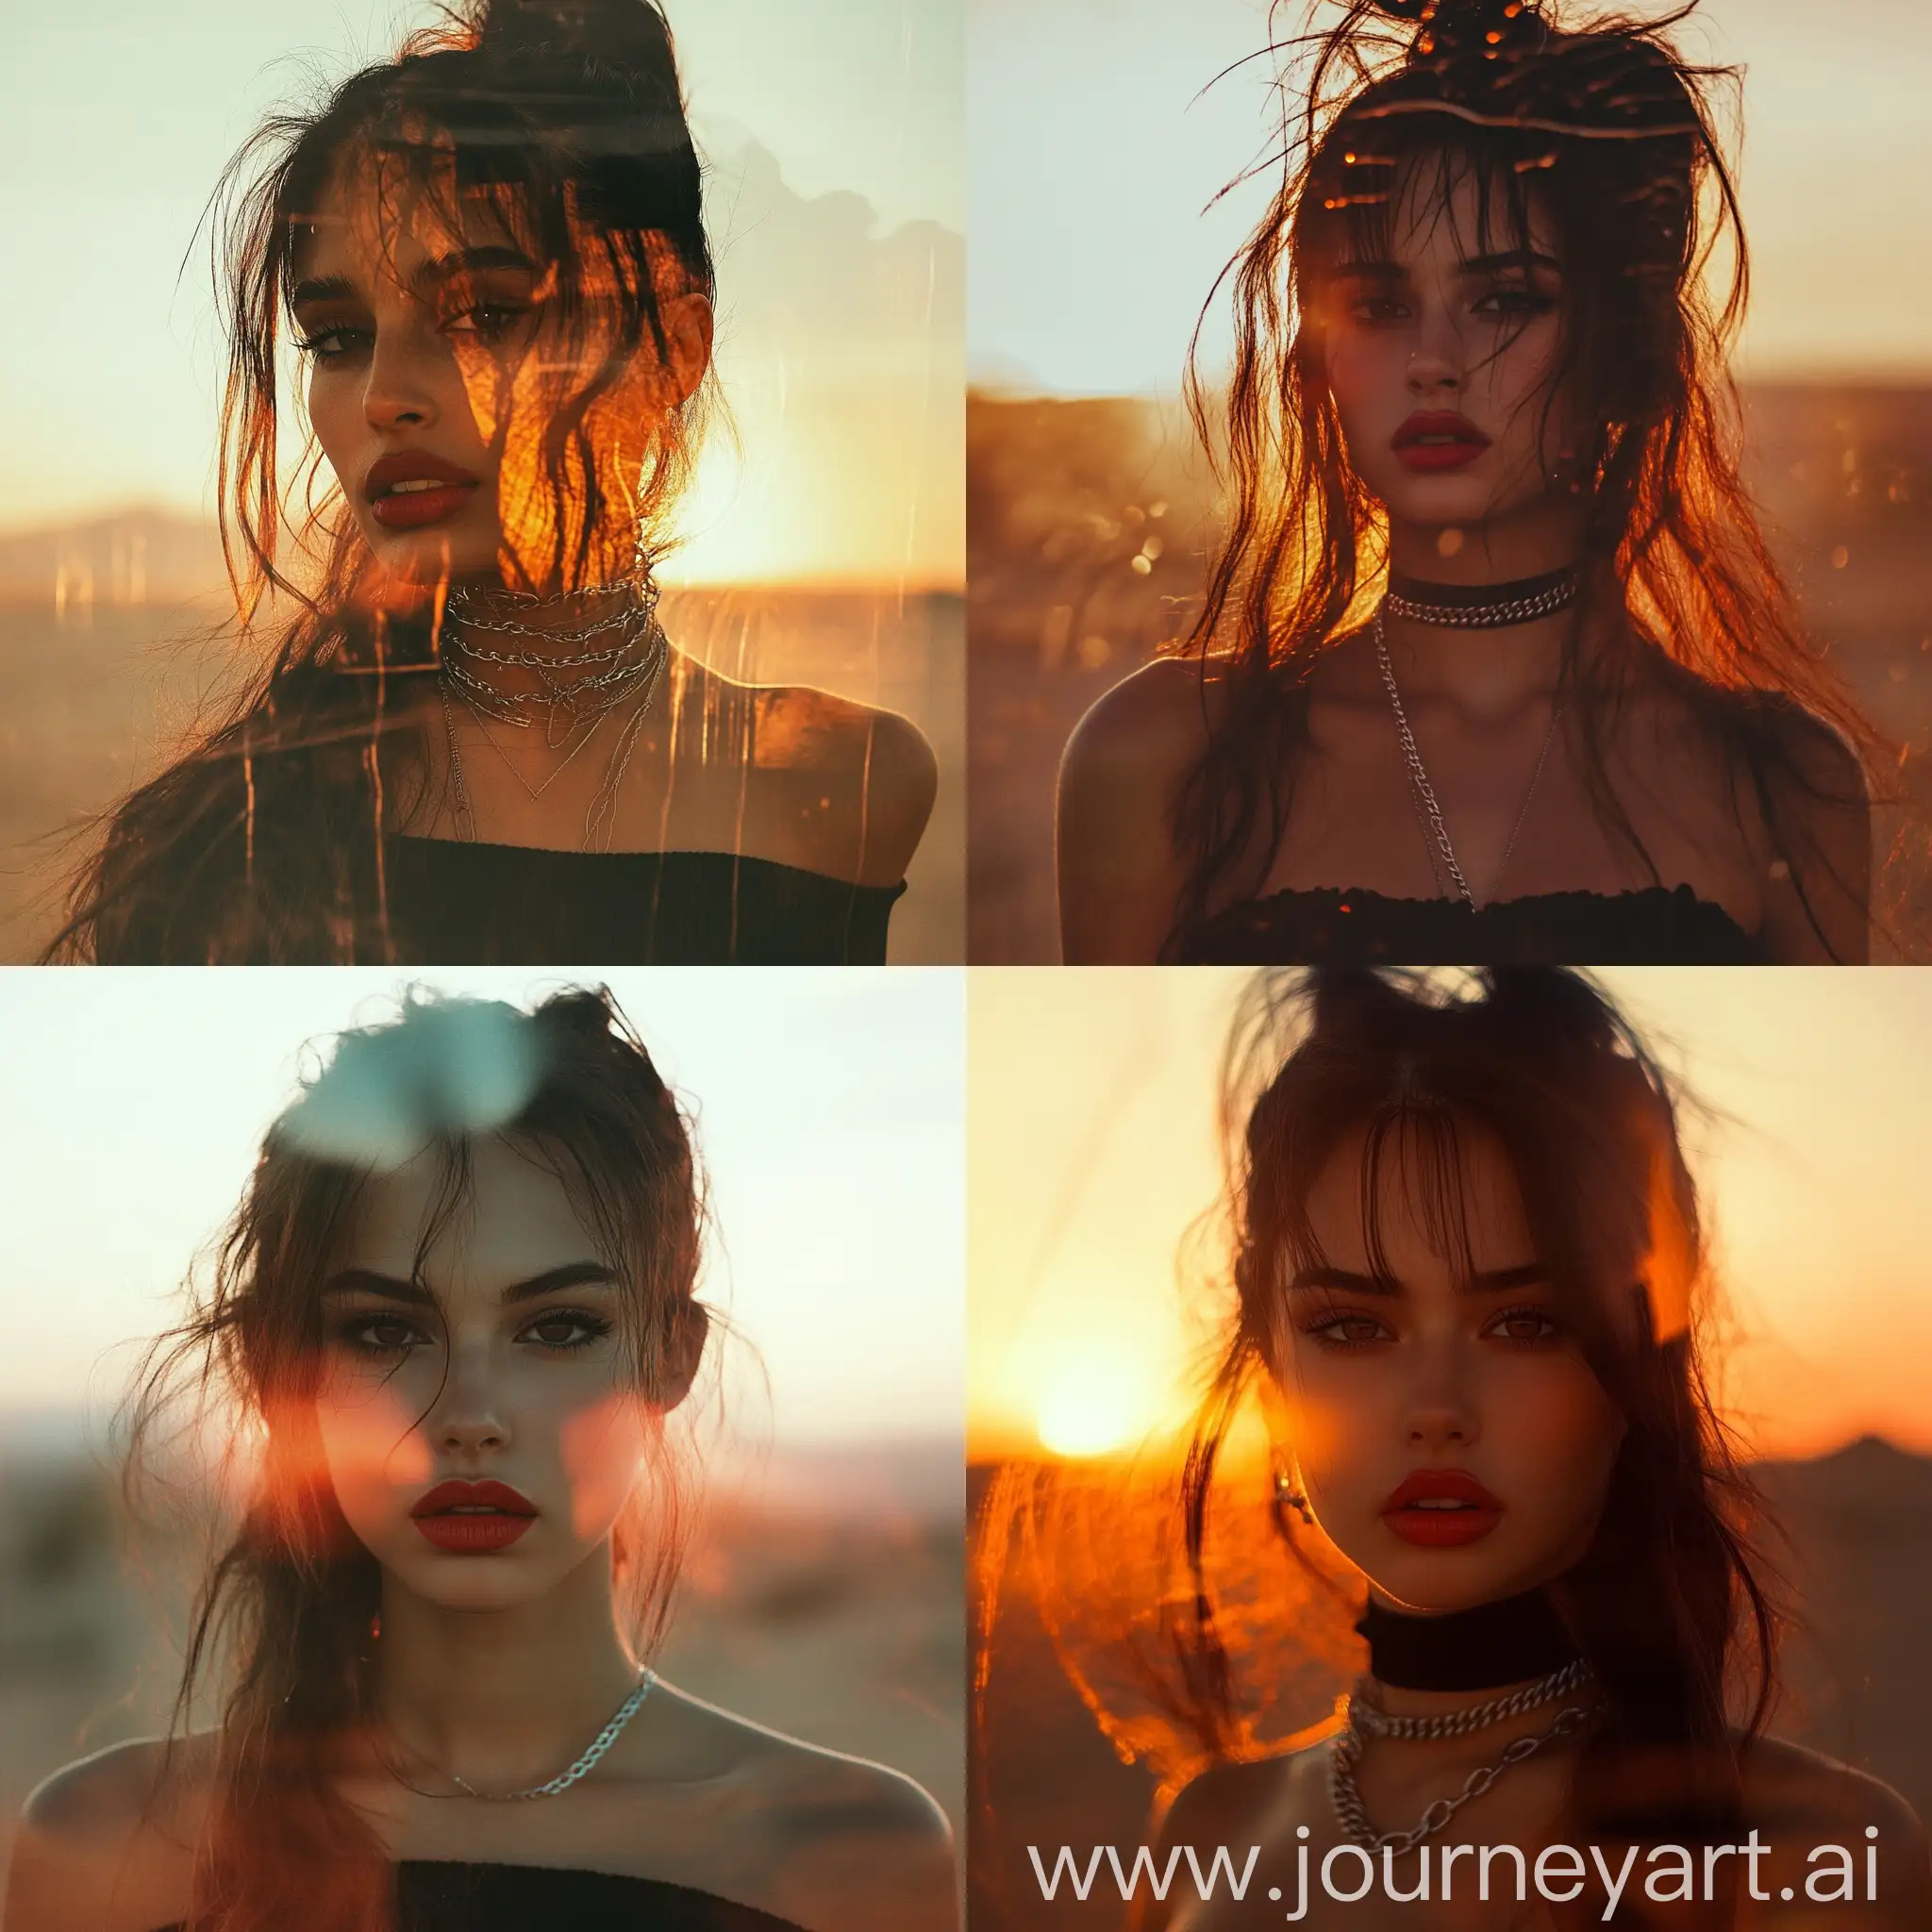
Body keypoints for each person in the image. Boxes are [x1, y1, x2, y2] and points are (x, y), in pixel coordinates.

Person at [3, 989, 958, 1932]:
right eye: (384, 1329)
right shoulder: (105, 1847)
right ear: (278, 1367)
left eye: (556, 1326)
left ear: (673, 1355)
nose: (468, 1416)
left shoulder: (848, 1853)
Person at [52, 0, 935, 965]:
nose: (386, 396)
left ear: (673, 347)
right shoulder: (221, 838)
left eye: (483, 314)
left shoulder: (852, 780)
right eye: (339, 338)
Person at [1058, 0, 1874, 966]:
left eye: (1503, 299)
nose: (1431, 362)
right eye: (1379, 304)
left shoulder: (1782, 781)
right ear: (1318, 365)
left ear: (1620, 353)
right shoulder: (1158, 753)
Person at [1126, 967, 1929, 1927]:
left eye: (1523, 1321)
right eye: (1349, 1325)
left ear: (1634, 1368)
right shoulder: (1205, 1832)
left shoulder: (1812, 1856)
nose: (1435, 1408)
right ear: (1269, 1375)